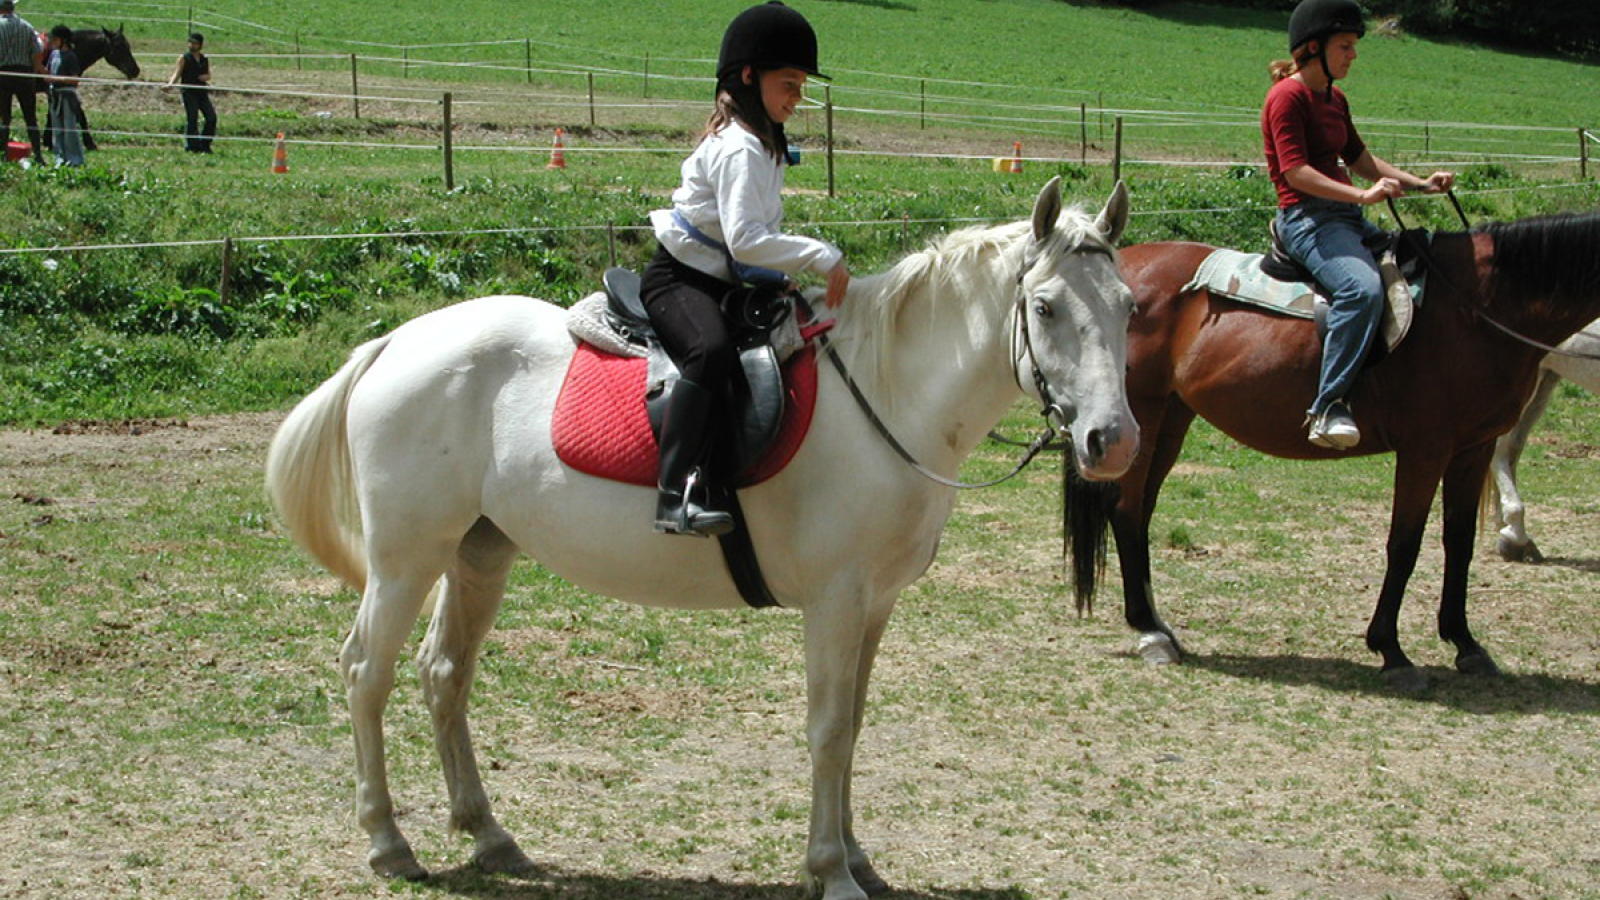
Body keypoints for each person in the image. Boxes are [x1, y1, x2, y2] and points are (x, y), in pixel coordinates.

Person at [641, 1, 849, 536]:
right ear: (750, 77)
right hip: (679, 280)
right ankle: (675, 494)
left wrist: (775, 276)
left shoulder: (765, 145)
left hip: (722, 278)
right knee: (708, 352)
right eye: (789, 83)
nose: (797, 97)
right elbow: (747, 239)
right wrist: (820, 255)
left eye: (802, 85)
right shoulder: (739, 149)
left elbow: (746, 250)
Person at [1262, 0, 1453, 450]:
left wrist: (1420, 183)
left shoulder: (1334, 98)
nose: (1353, 55)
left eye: (1353, 46)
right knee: (1361, 290)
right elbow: (1296, 173)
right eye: (1345, 45)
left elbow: (1360, 159)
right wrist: (1361, 195)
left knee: (1422, 255)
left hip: (1345, 218)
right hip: (1306, 220)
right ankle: (1328, 406)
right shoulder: (1285, 98)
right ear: (1312, 48)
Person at [0, 0, 45, 165]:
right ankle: (39, 155)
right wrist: (33, 70)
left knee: (4, 117)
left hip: (3, 73)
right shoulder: (27, 26)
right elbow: (38, 49)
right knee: (30, 117)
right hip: (24, 74)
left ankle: (3, 154)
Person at [165, 31, 215, 153]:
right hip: (189, 91)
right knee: (192, 118)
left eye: (195, 43)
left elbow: (209, 74)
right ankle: (192, 146)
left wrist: (206, 77)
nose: (192, 45)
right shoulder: (184, 58)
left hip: (202, 91)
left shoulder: (204, 59)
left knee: (211, 117)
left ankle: (205, 144)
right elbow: (177, 73)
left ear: (200, 45)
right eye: (190, 43)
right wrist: (170, 84)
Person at [43, 24, 82, 166]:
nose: (52, 42)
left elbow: (75, 80)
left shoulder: (70, 56)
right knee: (57, 128)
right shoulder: (54, 54)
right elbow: (48, 70)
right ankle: (60, 157)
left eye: (55, 39)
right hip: (54, 95)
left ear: (63, 40)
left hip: (66, 95)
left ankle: (74, 159)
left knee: (69, 127)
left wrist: (55, 79)